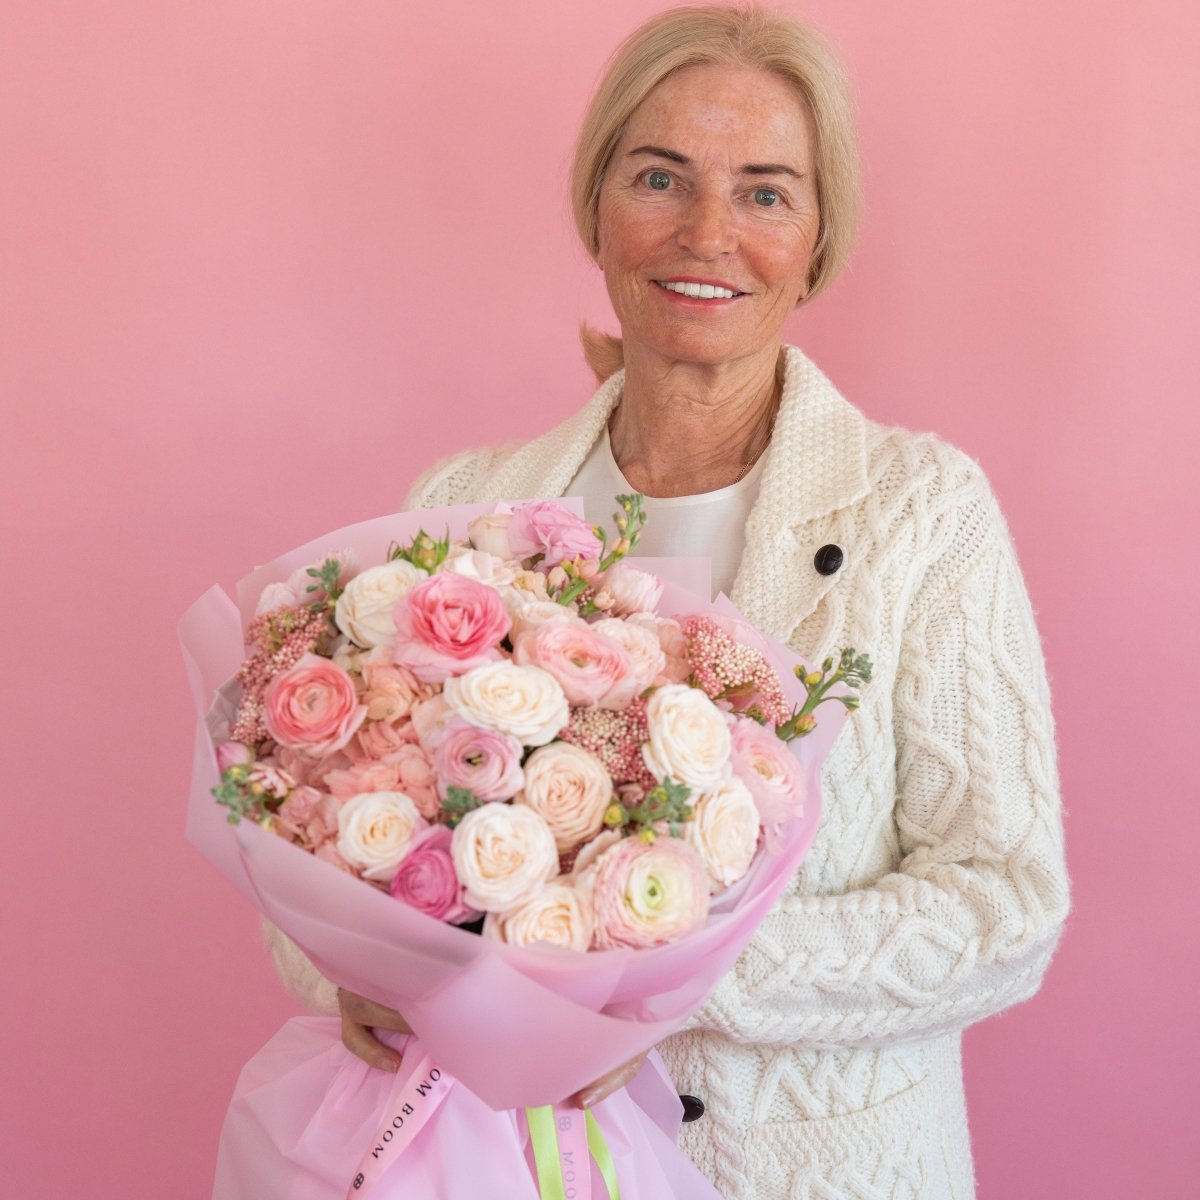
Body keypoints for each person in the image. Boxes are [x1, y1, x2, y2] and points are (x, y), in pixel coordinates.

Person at [266, 6, 1070, 1196]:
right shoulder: (465, 507)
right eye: (660, 177)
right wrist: (352, 967)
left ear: (819, 239)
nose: (707, 232)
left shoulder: (922, 514)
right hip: (501, 1168)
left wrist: (657, 968)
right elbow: (321, 840)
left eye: (765, 193)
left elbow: (1006, 903)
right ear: (596, 206)